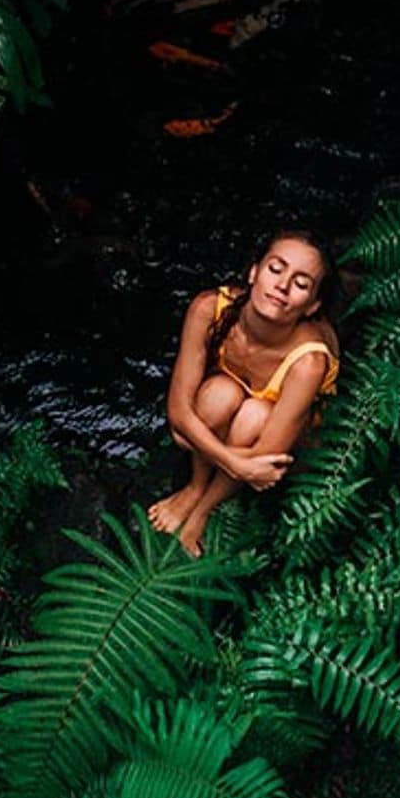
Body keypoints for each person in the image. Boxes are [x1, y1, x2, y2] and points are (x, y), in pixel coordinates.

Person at [148, 229, 340, 555]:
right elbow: (179, 414)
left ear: (312, 305)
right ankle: (195, 486)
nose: (282, 286)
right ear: (254, 272)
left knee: (254, 414)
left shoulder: (308, 362)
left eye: (301, 283)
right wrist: (236, 465)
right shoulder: (209, 308)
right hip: (234, 437)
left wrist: (235, 462)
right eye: (275, 269)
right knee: (219, 394)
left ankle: (203, 511)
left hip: (281, 441)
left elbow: (267, 461)